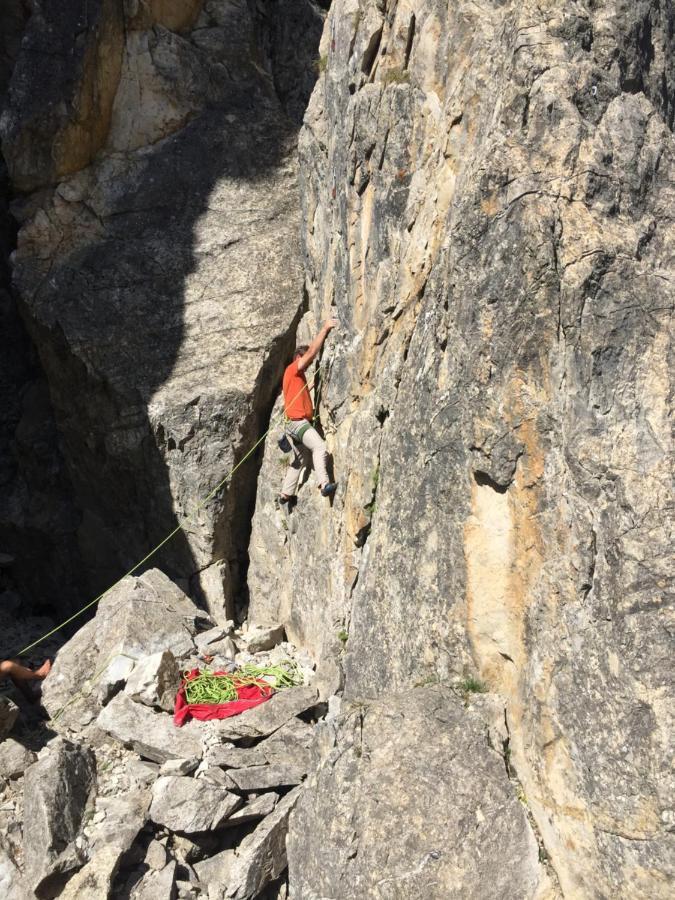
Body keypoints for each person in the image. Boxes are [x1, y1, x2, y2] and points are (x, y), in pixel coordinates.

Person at [280, 319, 338, 504]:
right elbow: (312, 352)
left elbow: (304, 390)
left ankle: (285, 494)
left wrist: (316, 381)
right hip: (298, 422)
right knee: (319, 446)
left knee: (300, 458)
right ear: (298, 358)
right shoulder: (293, 369)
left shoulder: (297, 378)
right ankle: (324, 485)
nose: (306, 365)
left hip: (292, 424)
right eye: (304, 361)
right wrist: (325, 328)